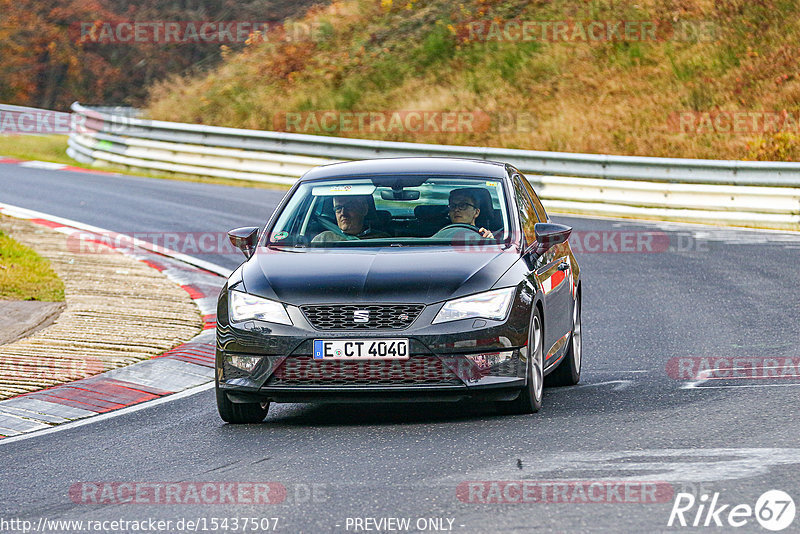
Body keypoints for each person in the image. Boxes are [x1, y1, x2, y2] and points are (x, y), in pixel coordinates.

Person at [311, 195, 389, 243]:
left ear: (364, 209)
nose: (343, 213)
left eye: (348, 207)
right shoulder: (323, 239)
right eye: (338, 208)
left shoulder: (382, 239)